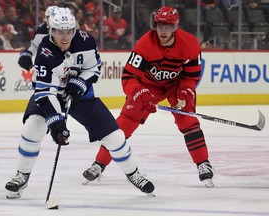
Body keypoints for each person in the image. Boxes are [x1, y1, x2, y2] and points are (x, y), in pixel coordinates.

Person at [5, 7, 154, 199]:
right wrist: (57, 123)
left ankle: (134, 173)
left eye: (68, 31)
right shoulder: (45, 52)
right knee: (33, 126)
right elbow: (44, 93)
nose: (65, 37)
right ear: (52, 31)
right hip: (52, 95)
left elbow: (94, 67)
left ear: (74, 29)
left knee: (115, 136)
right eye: (60, 32)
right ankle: (22, 175)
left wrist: (81, 82)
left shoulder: (86, 41)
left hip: (82, 97)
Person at [82, 6, 215, 188]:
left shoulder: (190, 43)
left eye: (167, 27)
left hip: (176, 86)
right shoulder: (145, 44)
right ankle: (99, 164)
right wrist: (140, 93)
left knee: (188, 122)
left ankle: (203, 163)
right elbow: (128, 77)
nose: (163, 31)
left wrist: (185, 92)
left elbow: (191, 76)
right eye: (160, 26)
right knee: (124, 123)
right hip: (148, 85)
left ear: (176, 27)